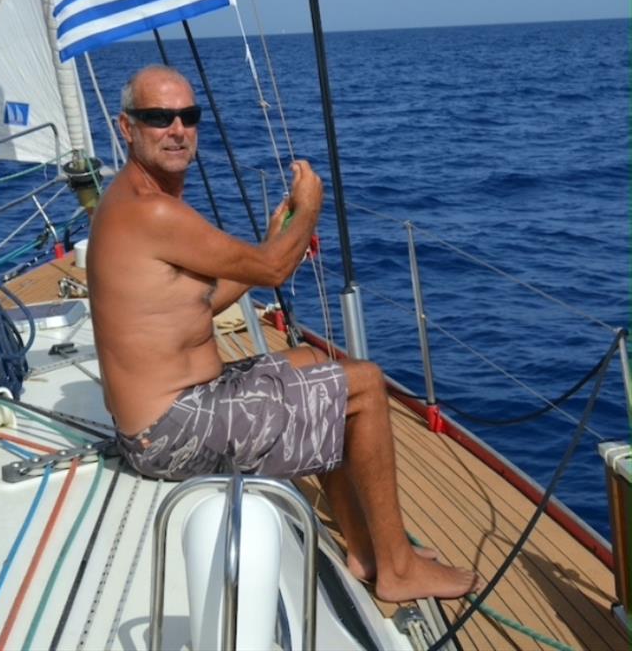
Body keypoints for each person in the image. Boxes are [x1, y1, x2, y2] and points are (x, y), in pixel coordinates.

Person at [87, 64, 479, 602]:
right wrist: (307, 212)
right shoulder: (153, 210)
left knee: (307, 362)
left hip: (170, 417)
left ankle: (365, 547)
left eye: (188, 116)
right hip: (172, 432)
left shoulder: (136, 200)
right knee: (364, 384)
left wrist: (274, 238)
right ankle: (399, 570)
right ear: (126, 128)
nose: (177, 129)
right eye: (158, 117)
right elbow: (272, 271)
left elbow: (197, 301)